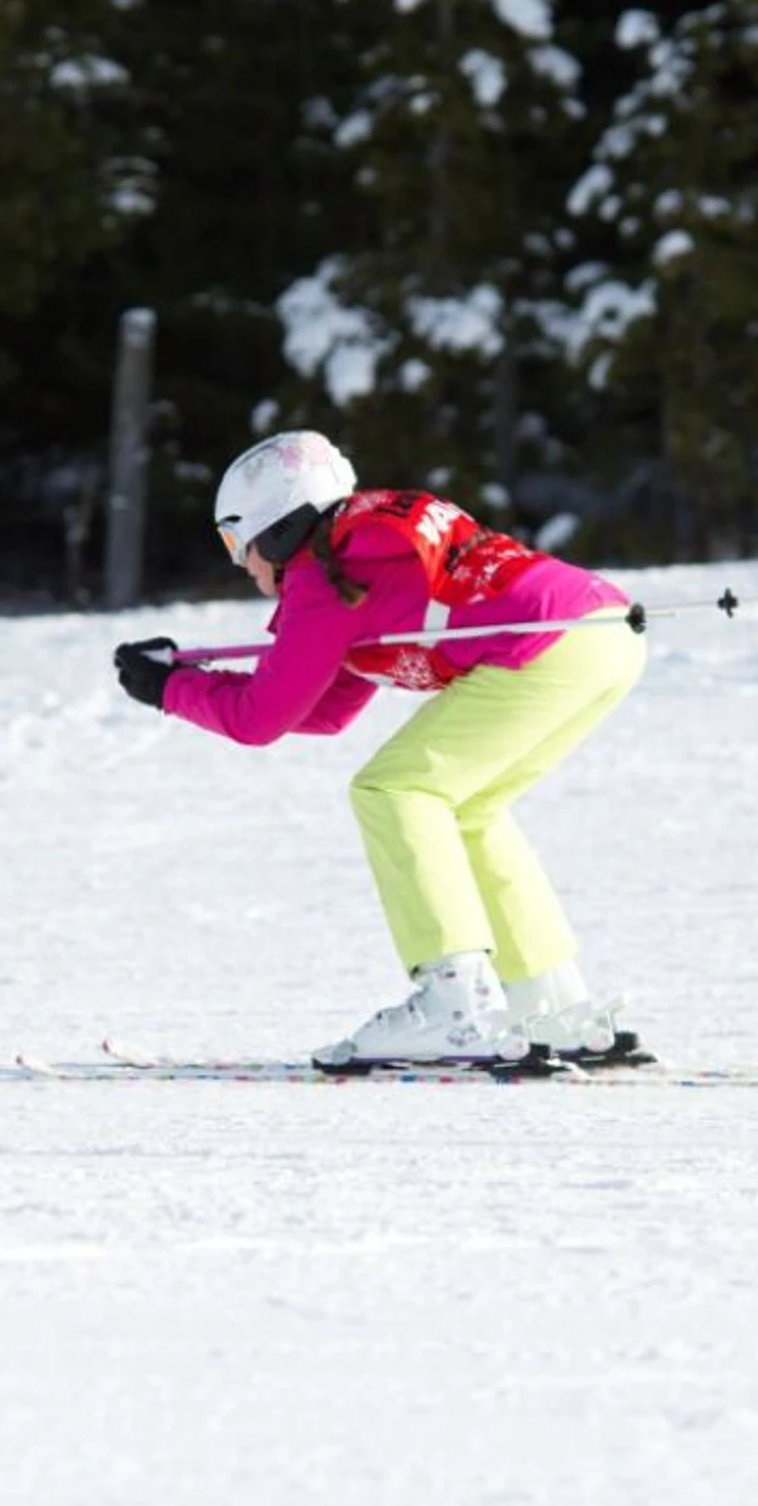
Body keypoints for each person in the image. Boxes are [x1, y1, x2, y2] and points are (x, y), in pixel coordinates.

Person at [112, 430, 649, 1072]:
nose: (241, 564)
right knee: (468, 808)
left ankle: (456, 1006)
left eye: (236, 542)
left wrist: (170, 687)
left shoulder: (322, 579)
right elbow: (324, 710)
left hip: (544, 647)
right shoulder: (356, 554)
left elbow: (258, 720)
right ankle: (552, 1003)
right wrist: (188, 684)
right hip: (602, 637)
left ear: (277, 529)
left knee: (393, 789)